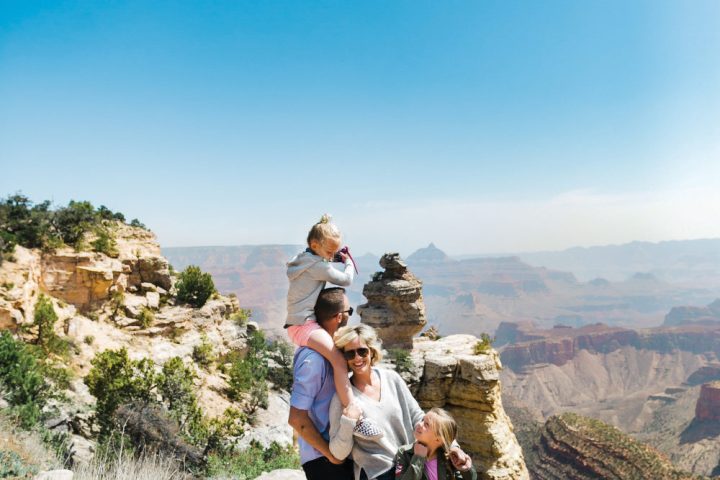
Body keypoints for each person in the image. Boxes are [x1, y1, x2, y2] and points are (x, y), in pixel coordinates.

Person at [328, 325, 473, 480]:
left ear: (371, 351)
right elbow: (338, 452)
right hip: (378, 473)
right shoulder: (342, 398)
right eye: (350, 353)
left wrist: (453, 446)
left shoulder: (392, 379)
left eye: (362, 351)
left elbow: (418, 417)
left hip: (409, 465)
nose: (357, 358)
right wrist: (348, 421)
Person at [286, 214, 378, 438]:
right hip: (304, 325)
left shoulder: (303, 259)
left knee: (337, 352)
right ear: (315, 245)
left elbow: (321, 261)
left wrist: (331, 256)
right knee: (338, 359)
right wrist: (346, 262)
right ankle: (356, 416)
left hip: (298, 323)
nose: (330, 257)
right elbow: (345, 280)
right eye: (329, 252)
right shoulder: (317, 265)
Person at [288, 287, 354, 479]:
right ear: (339, 317)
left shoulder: (331, 353)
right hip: (323, 460)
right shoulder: (314, 360)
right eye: (349, 312)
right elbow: (296, 418)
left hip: (335, 454)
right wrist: (330, 455)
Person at [394, 407, 477, 480]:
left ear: (438, 439)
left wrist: (466, 468)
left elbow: (472, 478)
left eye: (427, 424)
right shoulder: (404, 452)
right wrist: (418, 458)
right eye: (422, 420)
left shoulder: (448, 456)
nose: (419, 424)